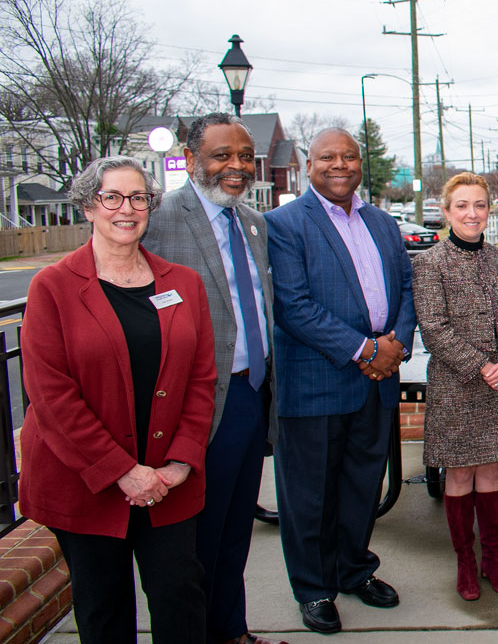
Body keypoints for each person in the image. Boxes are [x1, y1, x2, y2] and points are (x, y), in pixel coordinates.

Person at [20, 156, 216, 643]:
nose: (126, 209)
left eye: (139, 198)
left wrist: (180, 464)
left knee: (181, 601)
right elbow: (51, 396)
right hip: (87, 483)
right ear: (88, 206)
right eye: (112, 197)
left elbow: (201, 381)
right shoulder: (53, 287)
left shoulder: (184, 284)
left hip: (169, 482)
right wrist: (122, 471)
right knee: (103, 610)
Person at [141, 112, 284, 644]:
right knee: (192, 542)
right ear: (193, 156)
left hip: (250, 396)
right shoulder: (157, 219)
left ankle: (231, 630)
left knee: (232, 533)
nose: (237, 166)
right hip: (195, 406)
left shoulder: (252, 222)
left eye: (245, 156)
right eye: (223, 155)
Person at [266, 127, 415, 634]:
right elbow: (293, 306)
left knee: (360, 486)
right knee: (309, 495)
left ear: (359, 164)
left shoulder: (382, 222)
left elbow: (407, 287)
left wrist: (394, 344)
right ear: (309, 165)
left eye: (349, 156)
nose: (340, 165)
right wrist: (367, 350)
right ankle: (314, 589)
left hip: (377, 378)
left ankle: (354, 570)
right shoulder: (284, 224)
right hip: (316, 380)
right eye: (328, 157)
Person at [413, 172, 498, 601]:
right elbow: (434, 329)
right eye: (461, 205)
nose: (471, 213)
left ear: (489, 210)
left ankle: (492, 557)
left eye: (479, 204)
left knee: (492, 470)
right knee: (459, 472)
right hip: (457, 386)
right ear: (446, 212)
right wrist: (483, 366)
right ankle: (465, 560)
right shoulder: (429, 263)